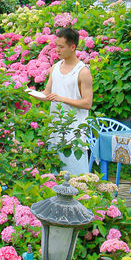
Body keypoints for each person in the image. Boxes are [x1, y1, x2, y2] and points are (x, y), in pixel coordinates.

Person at [44, 26, 93, 175]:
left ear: (73, 47)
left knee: (77, 181)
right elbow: (46, 93)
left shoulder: (83, 72)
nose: (57, 50)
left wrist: (61, 99)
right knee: (53, 181)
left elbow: (87, 103)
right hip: (55, 131)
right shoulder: (55, 68)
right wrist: (26, 93)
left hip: (74, 135)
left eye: (61, 47)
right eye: (56, 46)